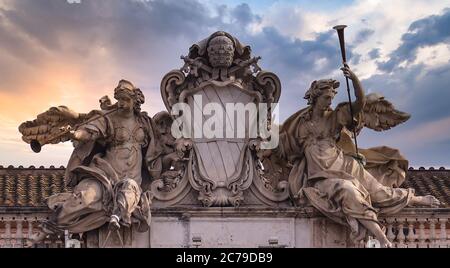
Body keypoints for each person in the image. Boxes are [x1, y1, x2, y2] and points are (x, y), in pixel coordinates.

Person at [279, 65, 440, 247]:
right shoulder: (299, 123)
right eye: (326, 98)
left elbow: (359, 103)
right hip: (321, 176)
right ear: (315, 97)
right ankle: (382, 239)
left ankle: (416, 199)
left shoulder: (335, 117)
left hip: (343, 164)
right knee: (348, 191)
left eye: (331, 98)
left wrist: (354, 80)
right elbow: (282, 146)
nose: (329, 102)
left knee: (379, 193)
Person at [28, 80, 164, 245]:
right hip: (105, 173)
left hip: (132, 177)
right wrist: (75, 135)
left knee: (128, 190)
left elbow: (156, 149)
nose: (121, 103)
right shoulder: (108, 119)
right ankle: (47, 228)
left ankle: (117, 216)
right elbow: (89, 132)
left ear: (135, 100)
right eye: (119, 99)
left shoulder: (144, 122)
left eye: (125, 99)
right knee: (84, 197)